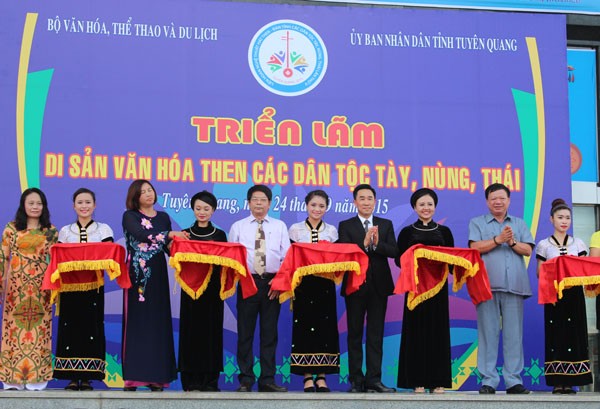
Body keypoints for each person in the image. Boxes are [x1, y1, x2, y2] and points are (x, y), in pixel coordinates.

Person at [121, 179, 188, 391]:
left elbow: (168, 247)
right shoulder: (130, 216)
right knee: (137, 323)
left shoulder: (164, 217)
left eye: (150, 190)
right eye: (143, 192)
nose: (149, 194)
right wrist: (168, 235)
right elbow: (141, 234)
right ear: (135, 197)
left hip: (158, 273)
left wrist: (185, 246)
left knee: (158, 323)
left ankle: (157, 378)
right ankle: (133, 378)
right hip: (137, 275)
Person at [468, 183, 534, 394]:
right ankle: (489, 380)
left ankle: (513, 380)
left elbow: (527, 249)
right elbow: (474, 248)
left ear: (509, 200)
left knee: (514, 335)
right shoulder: (477, 222)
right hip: (486, 286)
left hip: (514, 285)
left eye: (502, 198)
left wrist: (512, 241)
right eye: (493, 198)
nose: (498, 202)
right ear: (487, 201)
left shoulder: (519, 223)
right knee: (488, 334)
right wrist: (498, 239)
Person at [229, 185, 290, 392]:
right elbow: (232, 258)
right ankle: (246, 379)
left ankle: (267, 380)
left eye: (263, 200)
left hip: (272, 284)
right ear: (248, 202)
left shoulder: (280, 226)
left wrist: (279, 282)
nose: (259, 203)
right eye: (255, 199)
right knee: (245, 333)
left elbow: (287, 257)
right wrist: (243, 278)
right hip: (248, 282)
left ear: (270, 203)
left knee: (269, 334)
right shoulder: (238, 226)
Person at [338, 184, 398, 393]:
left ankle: (374, 379)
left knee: (375, 334)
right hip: (355, 286)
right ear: (355, 202)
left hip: (378, 287)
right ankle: (356, 380)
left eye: (369, 198)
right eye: (361, 198)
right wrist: (363, 245)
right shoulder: (346, 225)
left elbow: (394, 251)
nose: (366, 202)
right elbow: (344, 252)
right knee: (354, 334)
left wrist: (376, 245)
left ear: (375, 201)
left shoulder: (386, 224)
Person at [54, 188, 114, 391]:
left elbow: (109, 253)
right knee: (69, 329)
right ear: (74, 206)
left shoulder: (103, 229)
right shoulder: (65, 231)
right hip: (69, 288)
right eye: (80, 202)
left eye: (88, 202)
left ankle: (88, 377)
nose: (84, 206)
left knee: (91, 328)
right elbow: (59, 258)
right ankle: (71, 377)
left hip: (93, 286)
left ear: (94, 205)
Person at [0, 188, 58, 390]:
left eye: (39, 203)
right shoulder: (11, 229)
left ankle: (37, 379)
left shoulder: (50, 231)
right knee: (13, 331)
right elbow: (2, 258)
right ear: (23, 205)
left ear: (44, 206)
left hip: (41, 287)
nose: (35, 207)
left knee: (40, 331)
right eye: (31, 203)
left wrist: (57, 288)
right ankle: (11, 379)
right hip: (15, 288)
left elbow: (56, 262)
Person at [396, 188, 453, 394]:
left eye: (429, 204)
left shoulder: (445, 232)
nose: (426, 208)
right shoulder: (406, 232)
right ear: (414, 207)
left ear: (435, 207)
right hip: (415, 289)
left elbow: (452, 258)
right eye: (421, 204)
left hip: (438, 289)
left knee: (437, 333)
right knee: (416, 333)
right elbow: (398, 259)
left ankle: (438, 381)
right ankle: (417, 380)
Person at [537, 199, 591, 394]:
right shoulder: (544, 245)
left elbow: (585, 268)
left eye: (568, 217)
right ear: (551, 219)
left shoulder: (578, 243)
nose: (564, 221)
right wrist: (555, 268)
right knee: (556, 335)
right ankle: (558, 381)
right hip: (553, 295)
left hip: (574, 295)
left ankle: (573, 381)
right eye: (560, 217)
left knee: (574, 335)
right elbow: (539, 272)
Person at [287, 190, 339, 393]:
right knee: (304, 327)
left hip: (325, 284)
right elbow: (291, 259)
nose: (317, 209)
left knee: (325, 328)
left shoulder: (332, 231)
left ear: (326, 208)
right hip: (302, 285)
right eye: (313, 205)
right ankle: (307, 376)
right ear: (306, 206)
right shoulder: (295, 230)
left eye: (321, 206)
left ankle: (322, 376)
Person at [178, 191, 227, 392]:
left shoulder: (220, 235)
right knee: (190, 333)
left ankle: (209, 381)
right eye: (198, 208)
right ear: (193, 209)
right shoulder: (184, 234)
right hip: (190, 291)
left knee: (211, 333)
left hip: (213, 290)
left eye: (206, 209)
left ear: (213, 210)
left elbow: (227, 261)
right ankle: (190, 380)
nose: (202, 212)